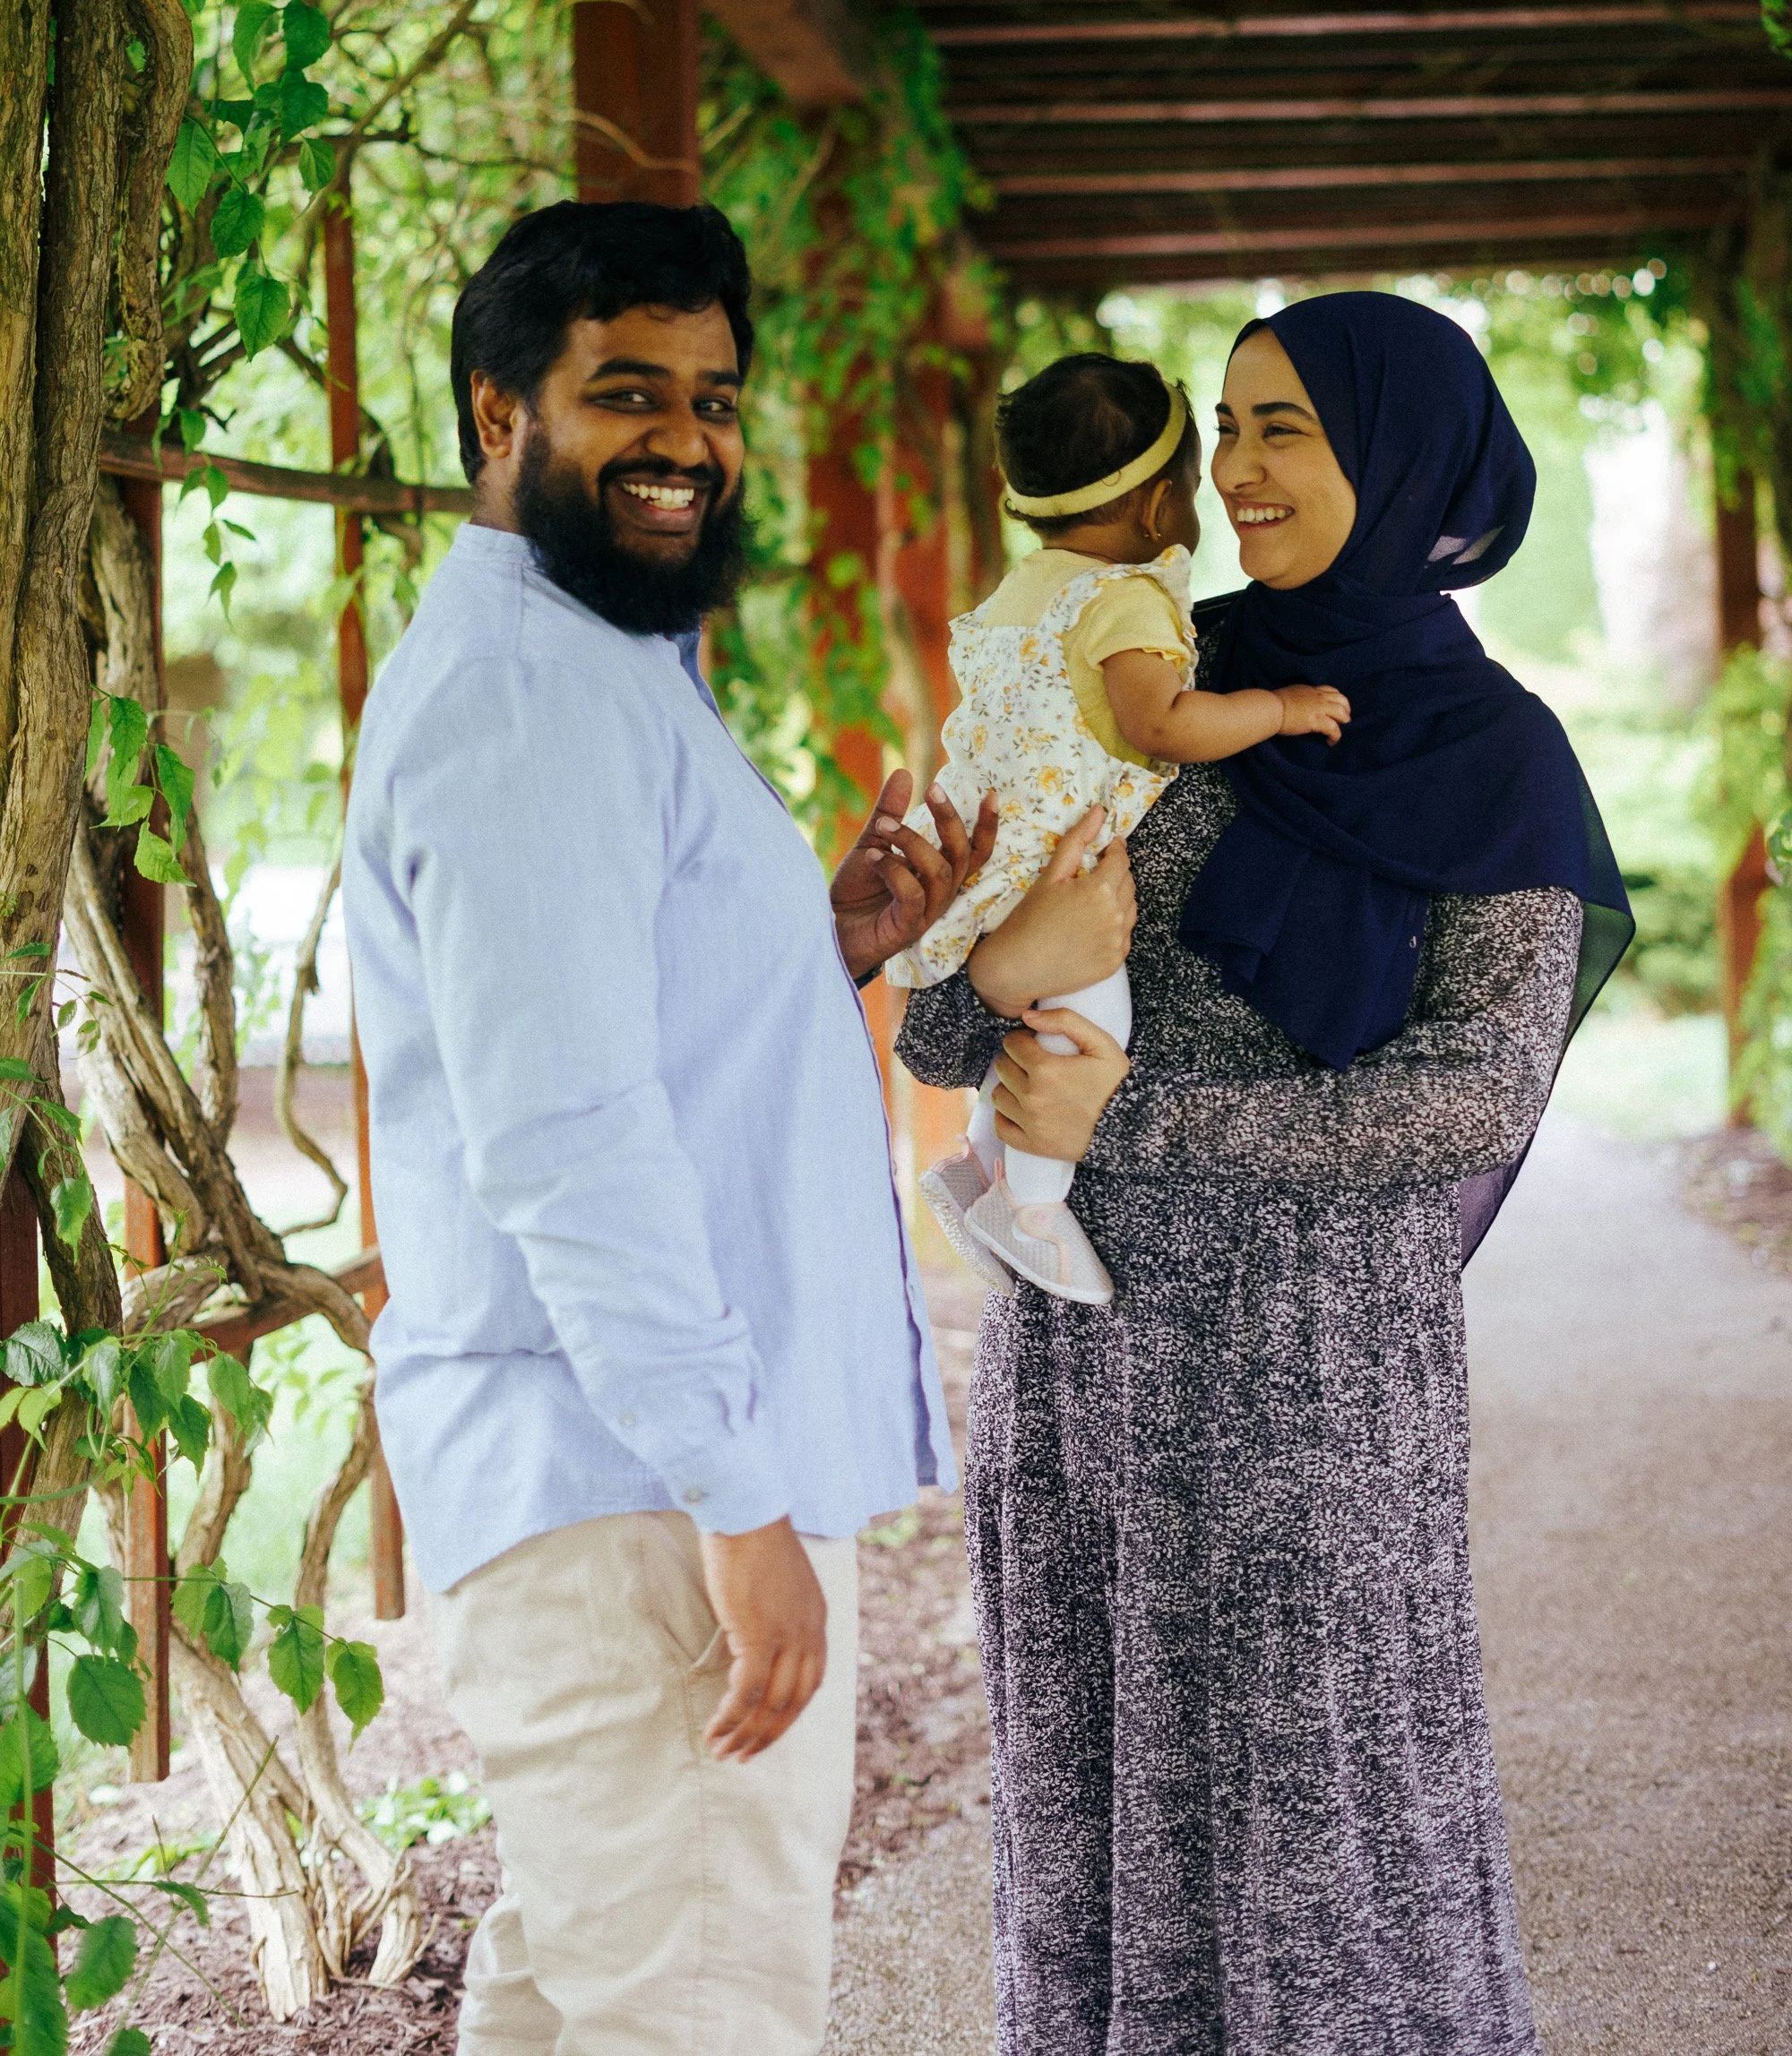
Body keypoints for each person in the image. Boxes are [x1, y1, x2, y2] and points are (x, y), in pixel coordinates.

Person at [897, 292, 1633, 2055]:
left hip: (1320, 1403)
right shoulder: (1138, 679)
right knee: (1091, 1840)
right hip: (1084, 1385)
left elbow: (1471, 1092)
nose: (1230, 469)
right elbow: (939, 1036)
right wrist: (963, 963)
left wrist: (1129, 1123)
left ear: (1400, 453)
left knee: (1326, 1868)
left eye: (1279, 427)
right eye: (1220, 426)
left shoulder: (1498, 760)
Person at [341, 199, 995, 2056]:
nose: (686, 441)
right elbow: (565, 1136)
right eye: (626, 391)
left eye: (713, 397)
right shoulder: (529, 697)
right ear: (496, 413)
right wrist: (734, 1493)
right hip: (631, 1488)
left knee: (588, 2001)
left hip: (620, 1478)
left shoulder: (597, 661)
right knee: (693, 2015)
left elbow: (611, 1017)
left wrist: (825, 944)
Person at [887, 353, 1348, 1307]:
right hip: (1062, 855)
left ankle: (980, 1166)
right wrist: (1277, 709)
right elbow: (1160, 723)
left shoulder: (1023, 592)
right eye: (1192, 477)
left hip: (989, 847)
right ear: (1151, 511)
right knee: (1088, 1018)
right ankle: (1037, 1213)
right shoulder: (1125, 598)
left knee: (1027, 1023)